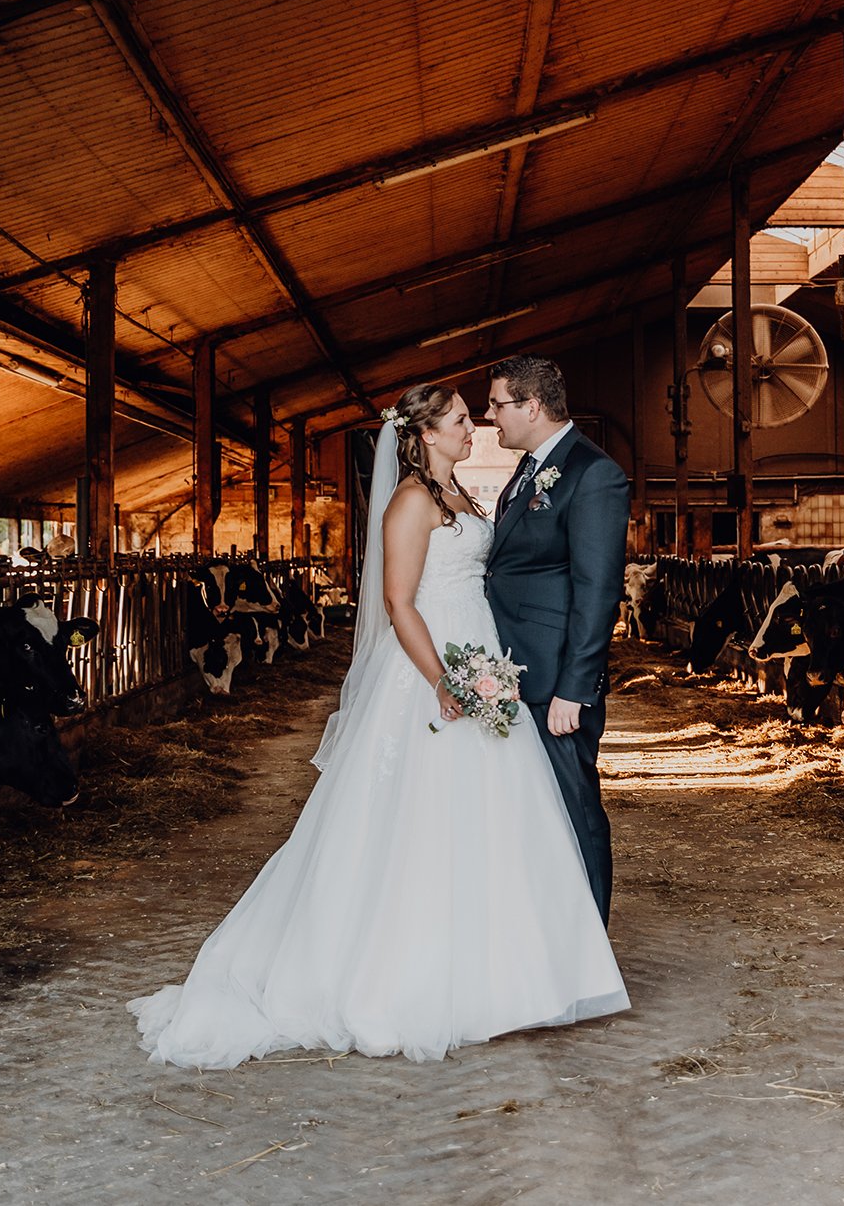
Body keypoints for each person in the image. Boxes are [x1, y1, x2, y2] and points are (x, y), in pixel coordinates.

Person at [128, 383, 627, 1067]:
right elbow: (399, 602)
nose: (473, 427)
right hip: (433, 670)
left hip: (479, 656)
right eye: (459, 419)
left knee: (492, 818)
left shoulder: (466, 497)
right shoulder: (411, 502)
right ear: (424, 435)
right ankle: (407, 976)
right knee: (418, 822)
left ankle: (500, 974)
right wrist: (444, 679)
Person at [481, 356, 631, 924]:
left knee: (575, 806)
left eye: (498, 404)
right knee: (536, 811)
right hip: (517, 671)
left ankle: (591, 933)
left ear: (532, 406)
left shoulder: (594, 474)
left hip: (555, 682)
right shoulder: (530, 468)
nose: (491, 416)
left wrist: (575, 688)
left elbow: (598, 592)